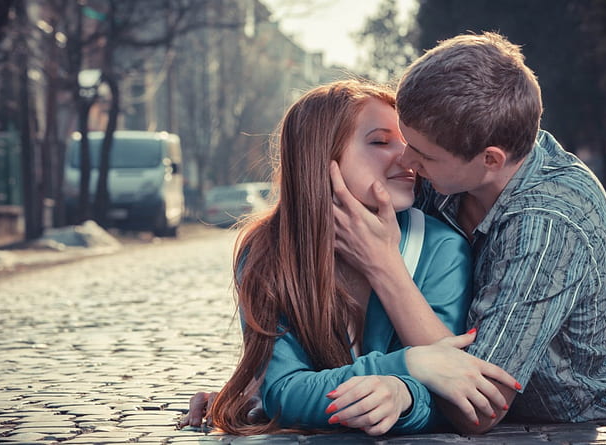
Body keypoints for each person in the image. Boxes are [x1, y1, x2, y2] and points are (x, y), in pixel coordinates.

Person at [329, 31, 606, 434]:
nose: (407, 161)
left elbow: (481, 406)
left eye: (423, 155)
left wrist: (383, 266)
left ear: (490, 160)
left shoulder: (547, 223)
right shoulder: (456, 155)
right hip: (581, 299)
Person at [182, 80, 518, 436]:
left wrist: (402, 394)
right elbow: (283, 391)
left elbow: (452, 387)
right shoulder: (266, 250)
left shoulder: (441, 247)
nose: (406, 157)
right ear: (319, 155)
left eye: (406, 141)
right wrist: (410, 363)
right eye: (379, 141)